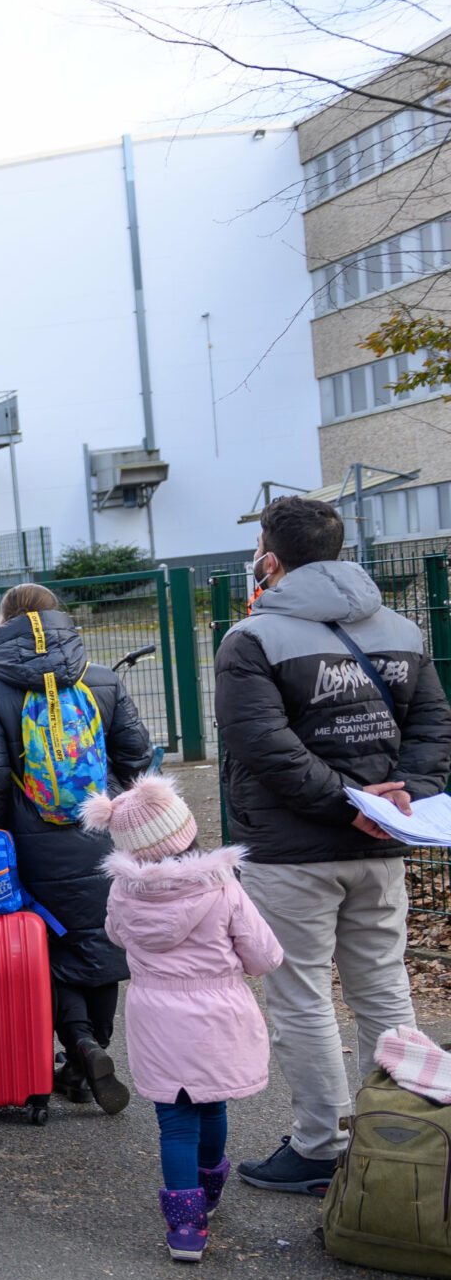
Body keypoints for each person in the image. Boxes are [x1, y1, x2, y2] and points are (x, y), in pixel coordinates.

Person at [218, 494, 451, 1193]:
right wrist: (401, 795)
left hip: (294, 853)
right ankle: (402, 1136)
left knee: (302, 996)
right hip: (383, 846)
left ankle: (320, 1146)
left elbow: (262, 744)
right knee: (383, 987)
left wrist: (338, 803)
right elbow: (434, 724)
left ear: (270, 553)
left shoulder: (251, 640)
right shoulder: (403, 630)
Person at [0, 583, 154, 1111]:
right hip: (105, 834)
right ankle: (91, 1054)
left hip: (31, 841)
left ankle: (81, 1044)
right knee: (102, 938)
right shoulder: (103, 679)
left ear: (4, 625)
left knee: (48, 944)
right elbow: (138, 759)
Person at [84, 775, 284, 1260]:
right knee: (212, 1103)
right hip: (217, 1011)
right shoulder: (222, 886)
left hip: (155, 1015)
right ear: (187, 829)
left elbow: (115, 934)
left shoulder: (123, 893)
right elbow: (263, 954)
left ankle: (185, 1230)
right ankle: (210, 1185)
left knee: (174, 1119)